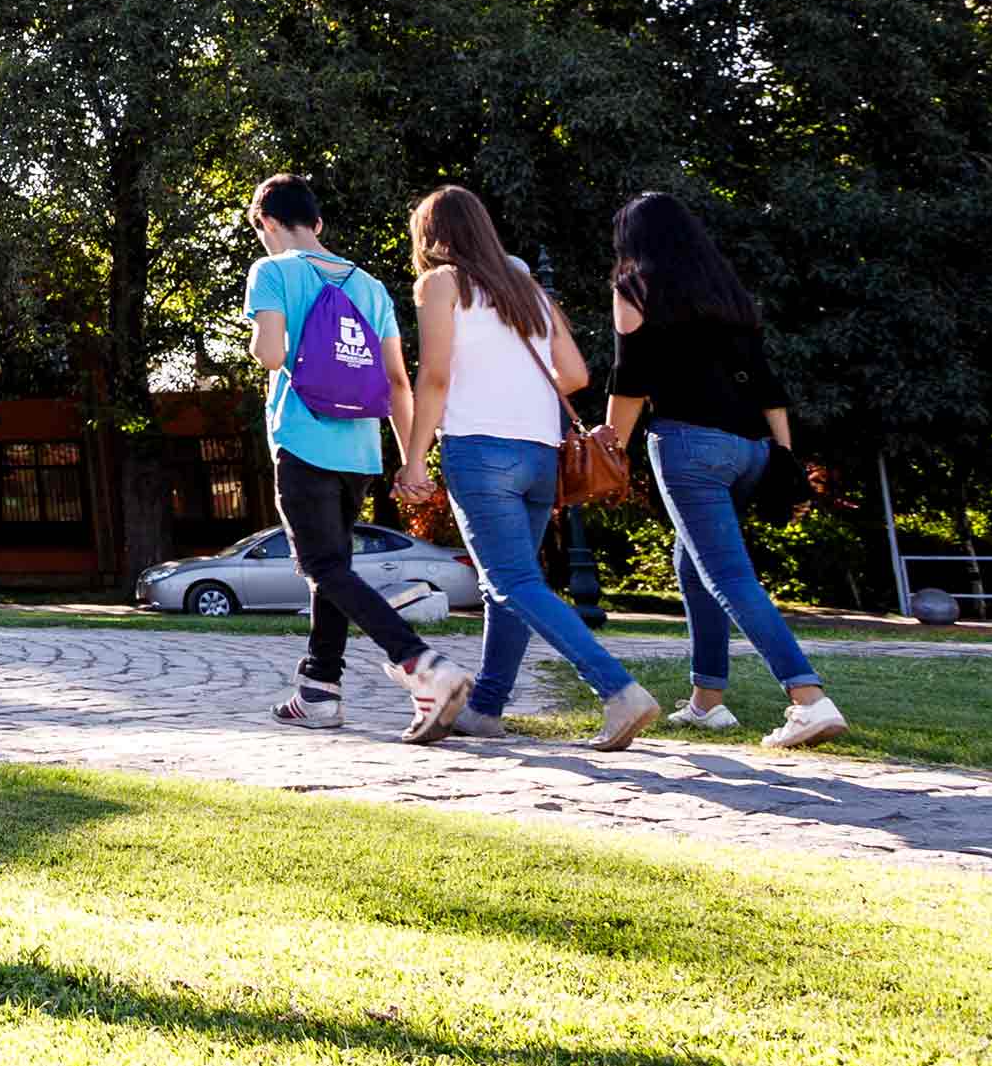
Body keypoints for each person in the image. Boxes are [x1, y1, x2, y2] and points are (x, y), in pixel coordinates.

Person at [402, 186, 658, 750]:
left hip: (479, 447)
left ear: (432, 235)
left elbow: (436, 377)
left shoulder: (440, 284)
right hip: (541, 452)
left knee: (512, 581)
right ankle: (487, 707)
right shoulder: (527, 288)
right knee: (506, 588)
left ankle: (618, 690)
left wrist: (414, 457)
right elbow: (573, 373)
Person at [604, 192, 846, 749]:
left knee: (728, 577)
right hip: (751, 451)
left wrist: (610, 446)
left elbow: (630, 377)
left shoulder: (634, 287)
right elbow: (766, 383)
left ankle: (808, 700)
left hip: (690, 447)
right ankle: (706, 704)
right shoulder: (726, 293)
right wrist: (785, 458)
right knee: (692, 567)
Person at [241, 175, 472, 732]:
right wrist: (409, 461)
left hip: (303, 441)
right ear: (317, 224)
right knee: (333, 570)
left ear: (267, 223)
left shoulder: (271, 272)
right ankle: (319, 691)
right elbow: (397, 380)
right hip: (360, 452)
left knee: (320, 567)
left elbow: (270, 356)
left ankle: (420, 662)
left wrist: (261, 338)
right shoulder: (369, 286)